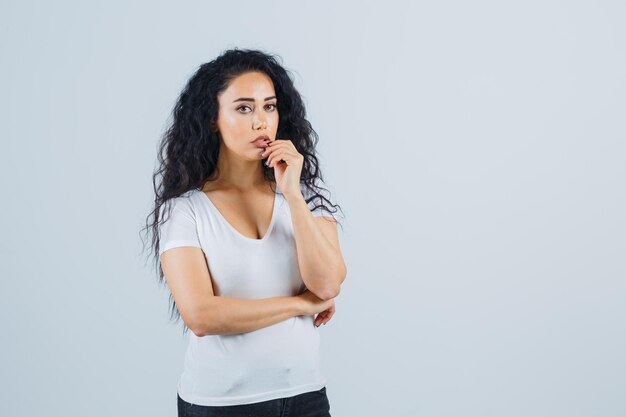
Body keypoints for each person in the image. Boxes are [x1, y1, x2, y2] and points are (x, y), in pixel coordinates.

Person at [142, 48, 347, 417]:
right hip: (221, 405)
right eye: (243, 108)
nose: (261, 122)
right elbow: (202, 315)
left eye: (269, 107)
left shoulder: (305, 194)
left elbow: (328, 284)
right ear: (211, 119)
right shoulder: (185, 209)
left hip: (306, 396)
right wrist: (300, 305)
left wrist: (293, 195)